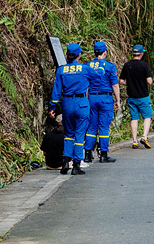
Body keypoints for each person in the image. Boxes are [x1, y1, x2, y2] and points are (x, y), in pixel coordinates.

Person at [49, 42, 91, 175]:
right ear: (79, 54)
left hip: (67, 102)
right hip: (81, 103)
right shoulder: (85, 69)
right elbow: (98, 79)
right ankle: (77, 165)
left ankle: (66, 161)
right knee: (79, 134)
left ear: (67, 55)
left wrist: (53, 106)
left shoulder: (61, 70)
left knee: (68, 134)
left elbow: (56, 90)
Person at [83, 41, 121, 164]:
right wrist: (118, 100)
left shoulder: (87, 66)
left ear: (94, 52)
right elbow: (115, 85)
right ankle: (103, 154)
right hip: (105, 99)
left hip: (92, 98)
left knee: (92, 126)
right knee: (104, 127)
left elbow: (86, 86)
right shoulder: (110, 66)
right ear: (105, 52)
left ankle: (88, 154)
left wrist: (87, 99)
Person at [120, 44, 154, 149]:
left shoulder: (127, 65)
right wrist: (144, 83)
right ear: (141, 54)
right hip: (143, 96)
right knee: (147, 116)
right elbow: (149, 81)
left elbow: (121, 81)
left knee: (134, 118)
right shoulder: (144, 65)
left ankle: (134, 141)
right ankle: (144, 136)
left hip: (131, 96)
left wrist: (130, 83)